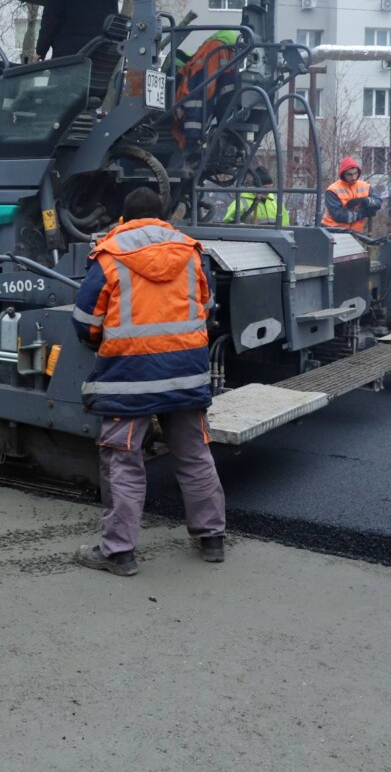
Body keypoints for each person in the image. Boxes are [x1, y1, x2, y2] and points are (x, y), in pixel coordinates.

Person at [72, 186, 226, 577]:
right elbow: (206, 308)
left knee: (123, 462)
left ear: (124, 218)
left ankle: (119, 553)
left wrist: (106, 342)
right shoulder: (191, 252)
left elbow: (87, 323)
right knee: (194, 454)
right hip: (186, 374)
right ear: (163, 217)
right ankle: (212, 539)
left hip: (129, 378)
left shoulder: (109, 256)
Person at [321, 157, 383, 232]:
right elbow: (339, 216)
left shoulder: (365, 186)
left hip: (354, 232)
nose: (354, 177)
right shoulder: (333, 190)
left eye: (355, 173)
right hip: (333, 231)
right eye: (349, 174)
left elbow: (378, 203)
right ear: (343, 174)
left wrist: (364, 200)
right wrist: (363, 213)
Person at [220, 167, 291, 225]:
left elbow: (285, 223)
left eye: (271, 187)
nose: (268, 191)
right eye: (265, 188)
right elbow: (228, 223)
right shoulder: (241, 202)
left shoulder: (275, 201)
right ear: (255, 187)